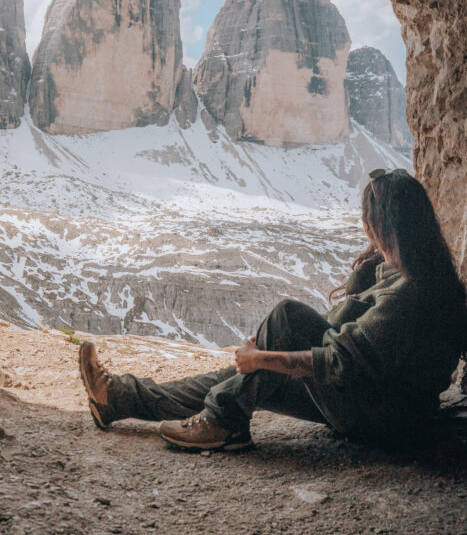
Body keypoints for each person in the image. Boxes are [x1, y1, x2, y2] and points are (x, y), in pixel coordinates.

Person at [78, 169, 467, 452]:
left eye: (371, 225)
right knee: (237, 375)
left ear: (389, 227)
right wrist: (261, 359)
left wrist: (263, 355)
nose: (368, 233)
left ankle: (225, 425)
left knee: (286, 317)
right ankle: (117, 398)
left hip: (381, 419)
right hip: (367, 402)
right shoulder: (411, 272)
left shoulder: (410, 293)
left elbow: (341, 361)